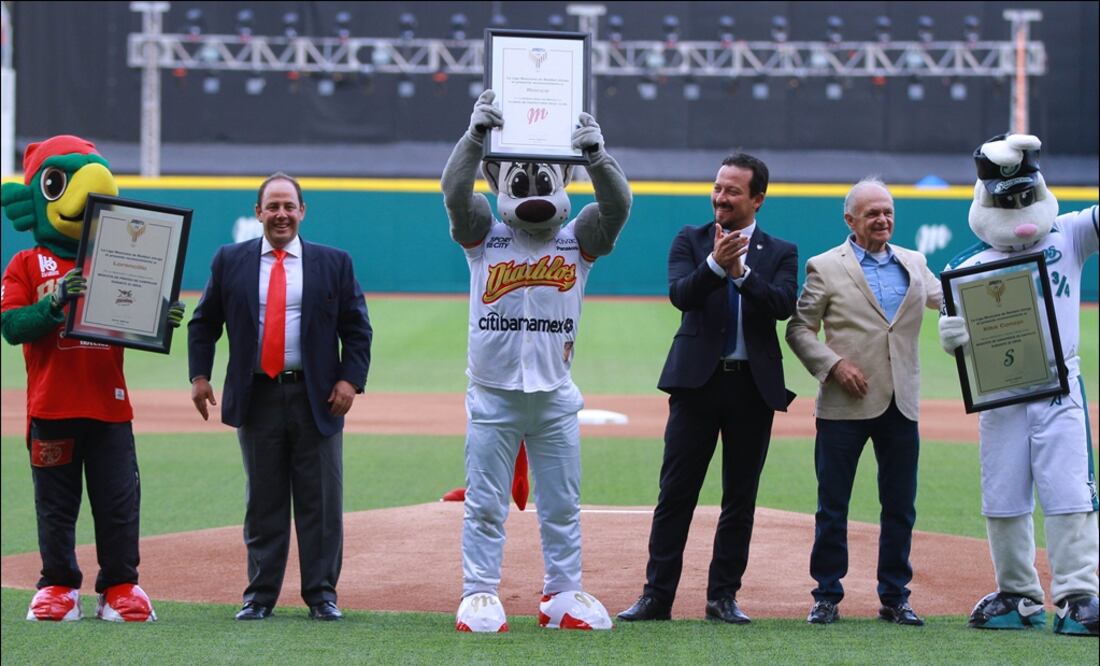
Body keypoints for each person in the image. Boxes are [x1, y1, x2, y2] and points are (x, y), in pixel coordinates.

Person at [441, 90, 631, 632]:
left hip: (553, 395)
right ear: (501, 184)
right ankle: (479, 592)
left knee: (563, 505)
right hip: (494, 394)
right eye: (519, 182)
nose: (531, 195)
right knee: (484, 504)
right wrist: (475, 136)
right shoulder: (485, 237)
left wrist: (595, 155)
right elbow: (455, 195)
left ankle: (562, 593)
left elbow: (618, 206)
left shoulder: (578, 239)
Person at [1, 135, 179, 622]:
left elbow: (135, 321)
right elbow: (12, 328)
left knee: (118, 503)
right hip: (51, 405)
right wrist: (54, 303)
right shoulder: (24, 264)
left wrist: (159, 317)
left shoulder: (118, 260)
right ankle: (58, 585)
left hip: (110, 406)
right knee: (56, 506)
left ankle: (120, 585)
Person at [618, 153, 797, 624]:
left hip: (752, 390)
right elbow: (681, 294)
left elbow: (783, 305)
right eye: (718, 187)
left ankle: (723, 598)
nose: (721, 197)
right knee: (675, 494)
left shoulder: (781, 251)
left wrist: (742, 274)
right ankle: (657, 597)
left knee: (740, 499)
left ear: (757, 199)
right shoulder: (691, 240)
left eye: (733, 190)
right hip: (696, 387)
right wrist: (717, 267)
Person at [188, 173, 372, 621]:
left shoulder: (334, 263)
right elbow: (204, 322)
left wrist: (350, 381)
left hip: (318, 398)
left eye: (289, 206)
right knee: (264, 501)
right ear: (258, 213)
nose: (281, 214)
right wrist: (200, 376)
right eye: (272, 206)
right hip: (258, 396)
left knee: (321, 501)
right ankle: (260, 595)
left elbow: (357, 328)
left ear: (302, 211)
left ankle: (322, 595)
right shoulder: (229, 261)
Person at [939, 134, 1098, 636]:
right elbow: (957, 330)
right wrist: (953, 335)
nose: (1018, 207)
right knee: (1003, 495)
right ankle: (1019, 594)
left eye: (1025, 195)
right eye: (1007, 199)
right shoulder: (965, 270)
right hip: (1001, 396)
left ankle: (1077, 594)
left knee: (1070, 491)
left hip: (1058, 390)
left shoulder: (1070, 234)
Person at [785, 178, 942, 626]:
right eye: (872, 212)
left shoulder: (914, 262)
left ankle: (895, 596)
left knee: (900, 505)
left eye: (888, 211)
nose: (882, 219)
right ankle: (826, 596)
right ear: (850, 220)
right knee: (833, 505)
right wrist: (833, 366)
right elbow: (799, 329)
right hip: (843, 405)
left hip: (901, 403)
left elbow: (950, 300)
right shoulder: (824, 266)